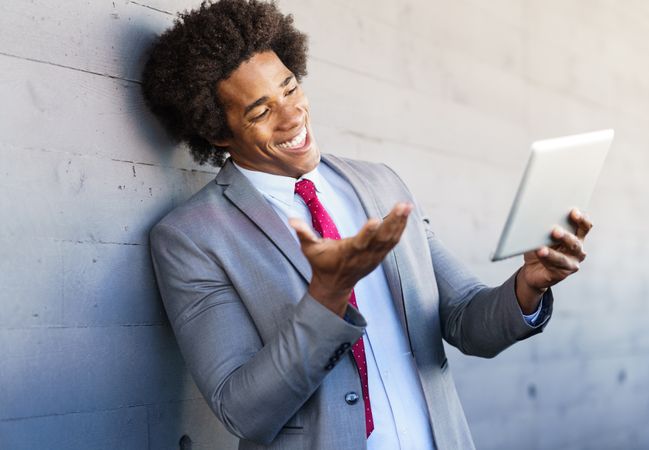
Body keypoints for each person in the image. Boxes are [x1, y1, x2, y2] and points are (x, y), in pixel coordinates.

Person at [142, 1, 592, 449]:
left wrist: (528, 287)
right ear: (220, 134)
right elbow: (241, 410)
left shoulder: (381, 184)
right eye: (260, 112)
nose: (292, 115)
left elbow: (464, 320)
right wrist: (327, 297)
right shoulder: (192, 238)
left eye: (290, 88)